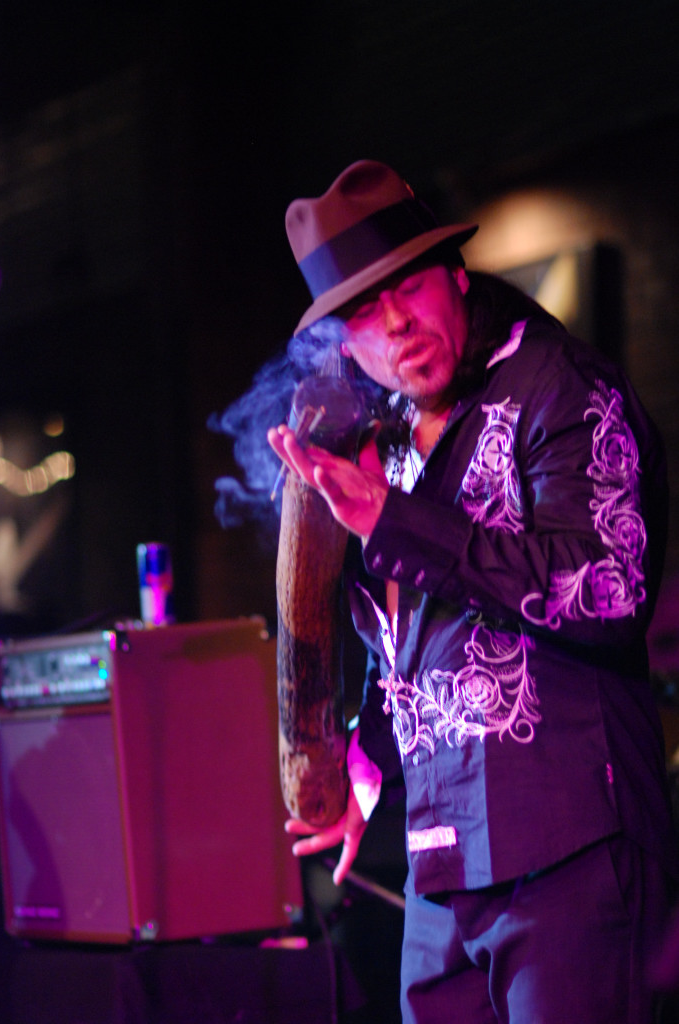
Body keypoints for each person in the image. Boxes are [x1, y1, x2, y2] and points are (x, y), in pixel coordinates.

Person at [267, 159, 679, 1023]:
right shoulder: (383, 434)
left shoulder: (561, 388)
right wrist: (368, 758)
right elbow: (416, 639)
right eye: (363, 313)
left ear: (455, 275)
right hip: (442, 866)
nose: (395, 323)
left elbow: (608, 588)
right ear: (343, 342)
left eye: (409, 287)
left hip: (570, 848)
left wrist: (393, 521)